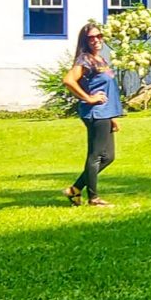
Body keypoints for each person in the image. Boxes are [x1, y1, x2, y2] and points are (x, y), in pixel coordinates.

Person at [61, 22, 123, 207]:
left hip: (105, 114)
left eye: (99, 36)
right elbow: (68, 80)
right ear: (85, 41)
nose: (96, 40)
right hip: (95, 113)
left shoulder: (100, 59)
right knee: (95, 156)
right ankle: (93, 199)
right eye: (91, 38)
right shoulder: (85, 60)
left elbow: (104, 88)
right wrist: (88, 98)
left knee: (108, 157)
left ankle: (75, 190)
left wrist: (111, 117)